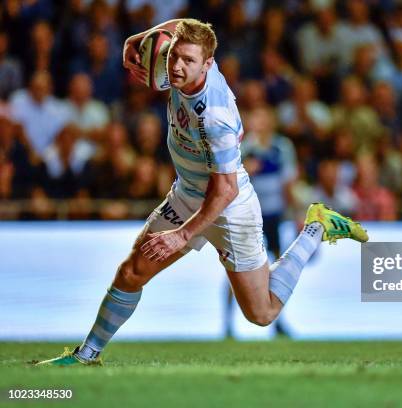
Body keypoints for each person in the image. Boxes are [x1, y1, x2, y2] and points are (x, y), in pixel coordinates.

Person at [36, 18, 368, 366]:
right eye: (174, 56)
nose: (176, 66)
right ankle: (86, 355)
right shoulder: (179, 60)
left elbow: (226, 189)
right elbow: (183, 27)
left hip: (229, 207)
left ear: (207, 64)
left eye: (187, 60)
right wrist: (135, 40)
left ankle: (316, 226)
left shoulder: (215, 117)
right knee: (132, 271)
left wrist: (183, 235)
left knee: (262, 313)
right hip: (189, 193)